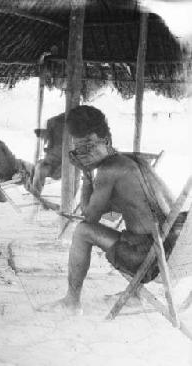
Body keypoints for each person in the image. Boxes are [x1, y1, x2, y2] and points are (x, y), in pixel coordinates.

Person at [41, 105, 186, 315]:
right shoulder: (135, 161)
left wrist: (86, 173)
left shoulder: (108, 171)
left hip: (152, 258)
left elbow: (89, 217)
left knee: (82, 231)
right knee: (136, 230)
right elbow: (138, 206)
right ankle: (134, 296)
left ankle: (72, 301)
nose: (83, 154)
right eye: (78, 149)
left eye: (88, 146)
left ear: (106, 142)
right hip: (176, 248)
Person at [32, 112, 64, 194]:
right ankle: (36, 195)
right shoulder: (52, 124)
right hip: (54, 163)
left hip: (65, 165)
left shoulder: (55, 124)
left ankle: (36, 194)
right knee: (39, 168)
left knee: (40, 168)